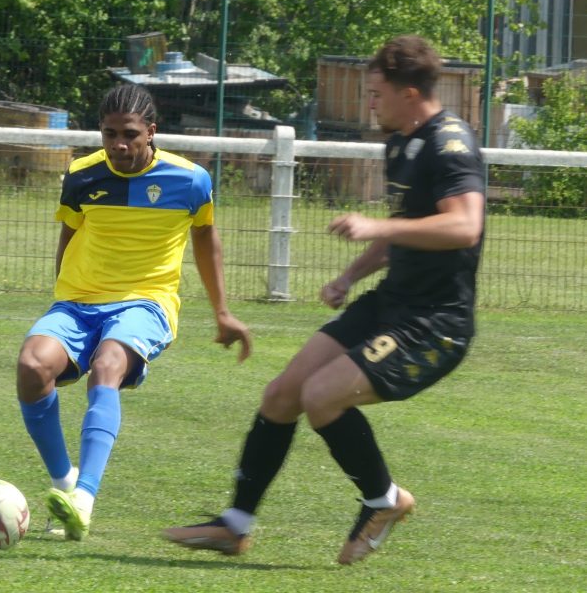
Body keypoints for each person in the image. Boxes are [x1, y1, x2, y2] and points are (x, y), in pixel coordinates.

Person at [163, 34, 485, 565]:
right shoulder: (400, 143)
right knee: (281, 395)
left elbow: (465, 225)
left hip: (435, 323)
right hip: (390, 303)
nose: (369, 103)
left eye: (376, 93)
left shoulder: (451, 143)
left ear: (409, 93)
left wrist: (376, 225)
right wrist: (349, 276)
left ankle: (384, 500)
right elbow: (406, 230)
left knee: (322, 396)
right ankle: (235, 525)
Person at [17, 84, 252, 541]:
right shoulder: (81, 175)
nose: (119, 145)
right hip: (78, 302)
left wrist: (222, 312)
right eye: (110, 134)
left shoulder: (190, 181)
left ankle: (84, 500)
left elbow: (207, 241)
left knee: (107, 366)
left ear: (151, 132)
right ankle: (64, 482)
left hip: (146, 301)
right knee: (31, 366)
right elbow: (68, 236)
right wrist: (61, 301)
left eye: (129, 134)